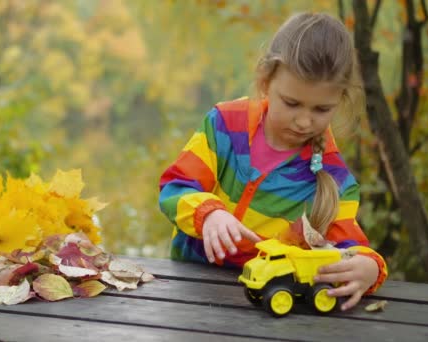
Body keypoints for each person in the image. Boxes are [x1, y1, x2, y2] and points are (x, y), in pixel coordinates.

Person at [158, 12, 387, 311]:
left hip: (263, 303)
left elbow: (348, 249)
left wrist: (370, 268)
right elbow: (174, 189)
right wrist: (209, 213)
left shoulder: (334, 178)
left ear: (340, 101)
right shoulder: (226, 125)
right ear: (266, 82)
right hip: (189, 289)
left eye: (321, 109)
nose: (304, 121)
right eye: (291, 103)